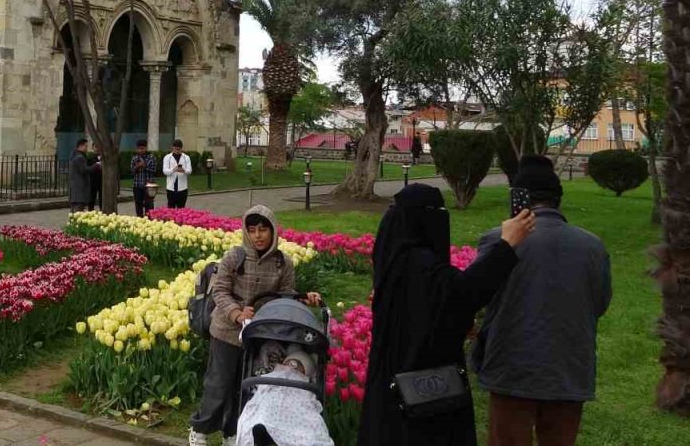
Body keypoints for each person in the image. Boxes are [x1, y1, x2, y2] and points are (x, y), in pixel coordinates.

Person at [357, 184, 535, 446]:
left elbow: (434, 309)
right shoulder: (420, 264)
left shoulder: (397, 259)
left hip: (391, 389)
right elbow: (462, 294)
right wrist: (506, 245)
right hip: (424, 400)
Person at [473, 155, 611, 446]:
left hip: (510, 367)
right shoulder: (593, 246)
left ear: (518, 198)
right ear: (558, 199)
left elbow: (478, 297)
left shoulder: (497, 241)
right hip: (570, 367)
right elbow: (599, 303)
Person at [189, 204, 322, 446]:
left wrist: (304, 298)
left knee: (244, 387)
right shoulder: (234, 257)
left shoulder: (283, 263)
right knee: (219, 384)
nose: (258, 236)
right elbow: (219, 291)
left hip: (258, 334)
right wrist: (237, 313)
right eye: (252, 230)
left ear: (273, 231)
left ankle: (231, 430)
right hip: (227, 331)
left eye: (263, 230)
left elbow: (285, 295)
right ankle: (200, 430)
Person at [237, 348, 334, 446]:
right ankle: (263, 429)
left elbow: (309, 399)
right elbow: (262, 388)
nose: (291, 368)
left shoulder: (304, 382)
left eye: (297, 366)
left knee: (310, 422)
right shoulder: (274, 375)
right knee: (264, 410)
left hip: (295, 404)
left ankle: (276, 435)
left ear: (305, 372)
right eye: (289, 363)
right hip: (272, 400)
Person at [130, 139, 159, 217]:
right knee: (138, 204)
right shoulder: (134, 158)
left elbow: (153, 169)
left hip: (148, 186)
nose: (140, 150)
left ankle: (149, 220)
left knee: (149, 205)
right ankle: (139, 220)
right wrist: (137, 167)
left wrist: (144, 166)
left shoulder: (151, 157)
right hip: (137, 185)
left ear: (146, 148)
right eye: (139, 148)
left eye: (142, 148)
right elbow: (132, 172)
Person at [67, 139, 95, 213]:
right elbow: (84, 170)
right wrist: (96, 166)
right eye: (86, 146)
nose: (87, 148)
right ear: (81, 146)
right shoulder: (80, 157)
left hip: (75, 190)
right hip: (80, 190)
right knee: (78, 211)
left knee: (74, 211)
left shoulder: (73, 156)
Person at [163, 139, 193, 209]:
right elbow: (165, 171)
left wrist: (183, 170)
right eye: (176, 149)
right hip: (171, 188)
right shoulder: (167, 157)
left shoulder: (186, 158)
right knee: (171, 208)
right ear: (172, 148)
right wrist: (174, 169)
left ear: (181, 148)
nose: (177, 151)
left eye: (179, 149)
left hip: (183, 188)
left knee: (181, 208)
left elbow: (189, 171)